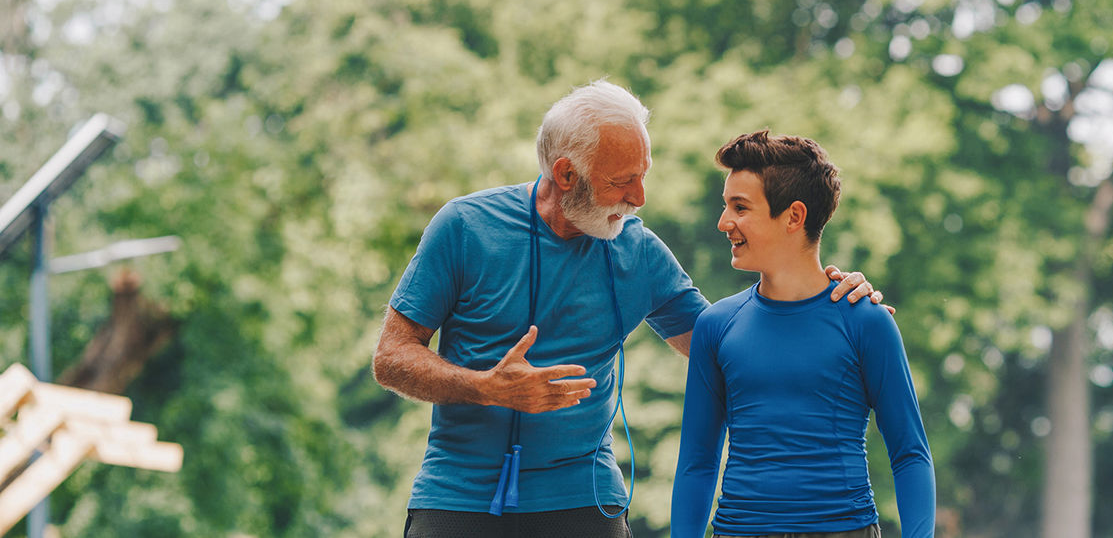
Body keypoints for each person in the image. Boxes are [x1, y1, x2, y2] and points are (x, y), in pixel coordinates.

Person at [372, 80, 885, 538]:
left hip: (583, 499)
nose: (639, 198)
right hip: (457, 497)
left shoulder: (638, 251)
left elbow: (733, 348)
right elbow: (391, 357)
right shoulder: (464, 227)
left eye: (644, 175)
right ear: (567, 174)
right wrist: (484, 388)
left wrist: (824, 295)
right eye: (622, 181)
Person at [671, 130, 935, 538]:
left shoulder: (865, 320)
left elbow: (909, 453)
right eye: (726, 207)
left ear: (794, 216)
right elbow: (697, 461)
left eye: (740, 208)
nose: (724, 222)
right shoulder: (716, 325)